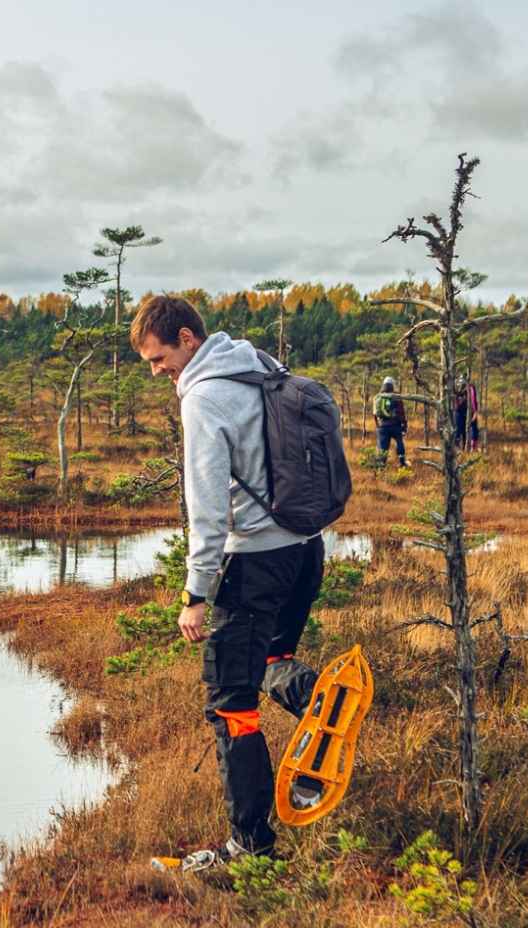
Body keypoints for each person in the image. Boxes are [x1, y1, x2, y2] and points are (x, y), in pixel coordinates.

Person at [133, 294, 326, 866]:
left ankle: (250, 847)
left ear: (188, 339)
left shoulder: (205, 398)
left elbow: (209, 507)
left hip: (256, 563)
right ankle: (317, 699)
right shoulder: (260, 367)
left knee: (230, 702)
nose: (157, 371)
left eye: (159, 358)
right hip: (306, 550)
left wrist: (196, 594)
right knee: (268, 663)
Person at [373, 376, 407, 466]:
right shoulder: (396, 397)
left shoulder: (378, 397)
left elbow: (375, 414)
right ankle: (402, 462)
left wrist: (378, 426)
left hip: (382, 426)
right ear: (392, 385)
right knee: (399, 442)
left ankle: (380, 466)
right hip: (395, 425)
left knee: (382, 448)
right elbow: (401, 413)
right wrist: (404, 425)